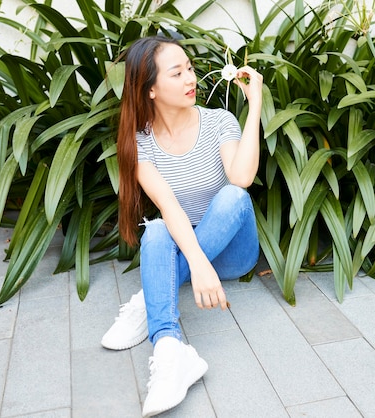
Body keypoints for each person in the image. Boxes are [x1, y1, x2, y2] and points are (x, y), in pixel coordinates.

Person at [103, 35, 263, 417]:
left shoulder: (218, 122)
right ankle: (172, 354)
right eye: (177, 73)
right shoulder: (140, 141)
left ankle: (150, 297)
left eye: (189, 68)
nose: (190, 78)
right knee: (156, 228)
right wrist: (198, 265)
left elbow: (240, 178)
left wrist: (255, 103)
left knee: (233, 197)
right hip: (189, 247)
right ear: (151, 89)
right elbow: (168, 205)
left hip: (233, 251)